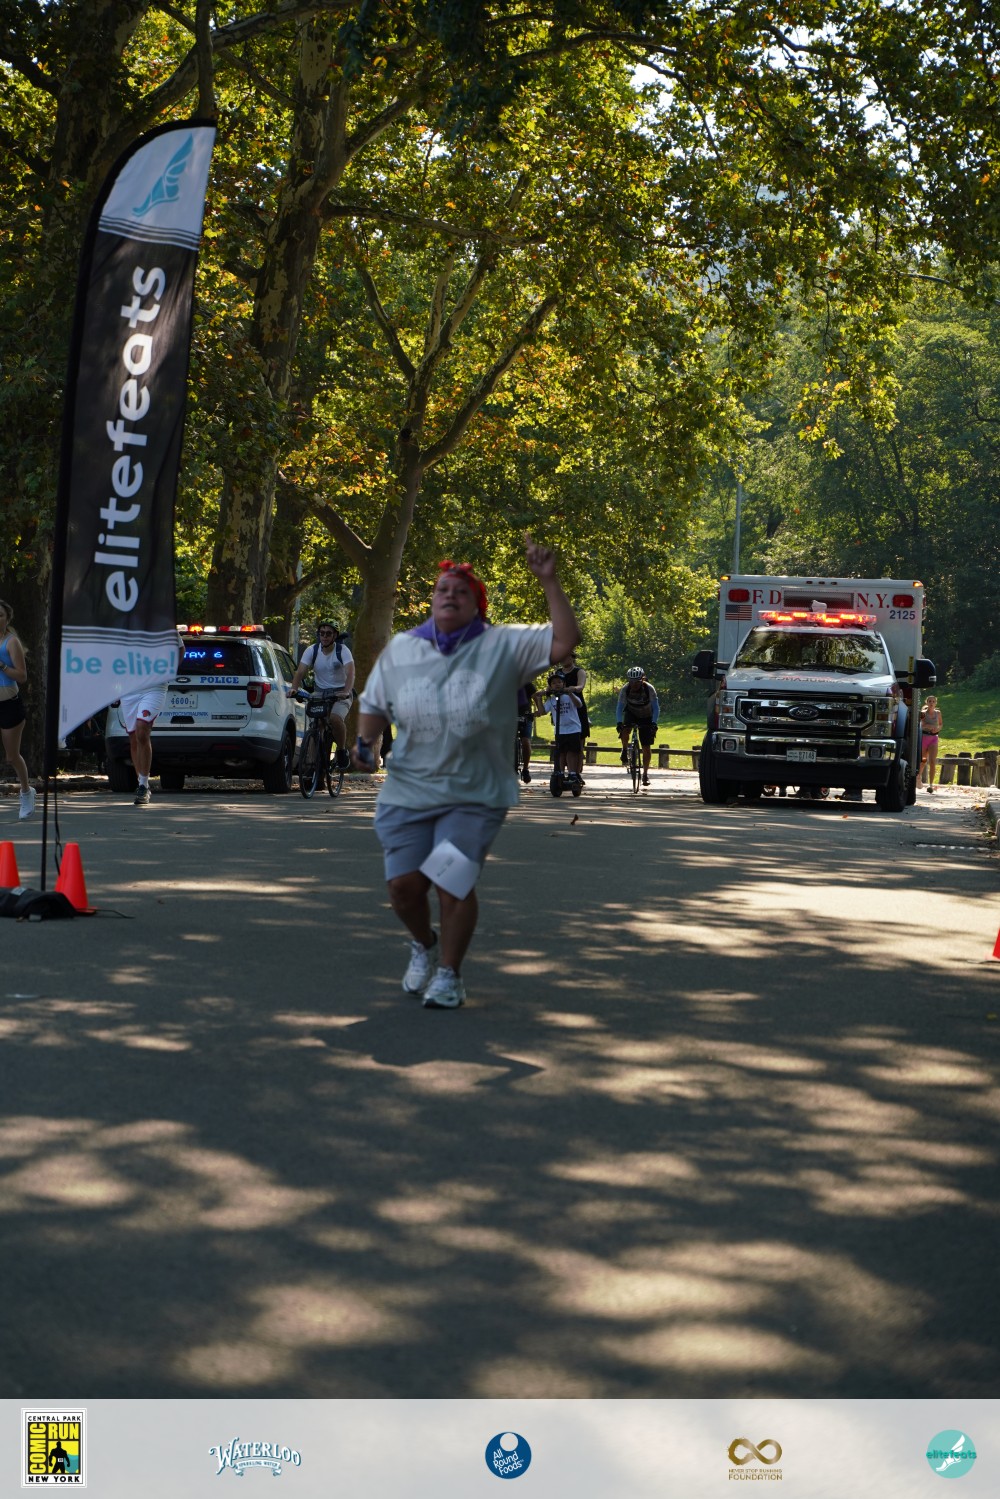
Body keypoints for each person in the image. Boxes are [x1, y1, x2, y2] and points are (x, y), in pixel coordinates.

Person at [353, 536, 579, 1009]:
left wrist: (549, 580)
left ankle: (450, 974)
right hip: (409, 789)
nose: (450, 596)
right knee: (403, 888)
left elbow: (564, 641)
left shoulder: (503, 645)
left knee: (450, 878)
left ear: (478, 605)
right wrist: (365, 742)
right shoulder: (403, 648)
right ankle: (424, 944)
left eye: (461, 591)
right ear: (432, 600)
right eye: (442, 589)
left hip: (475, 793)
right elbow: (374, 702)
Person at [119, 631, 184, 806]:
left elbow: (180, 648)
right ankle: (142, 785)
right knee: (134, 737)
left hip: (154, 687)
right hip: (129, 689)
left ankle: (143, 784)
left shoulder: (163, 625)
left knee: (142, 730)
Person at [289, 622, 356, 770]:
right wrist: (294, 688)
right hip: (320, 692)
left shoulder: (342, 650)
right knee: (316, 724)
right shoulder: (312, 650)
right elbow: (300, 672)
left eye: (328, 633)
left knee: (335, 719)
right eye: (322, 633)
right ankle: (312, 764)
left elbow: (351, 673)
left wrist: (346, 691)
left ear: (335, 636)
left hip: (341, 692)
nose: (324, 636)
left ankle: (341, 751)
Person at [0, 599, 34, 819]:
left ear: (7, 619)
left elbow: (22, 676)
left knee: (11, 757)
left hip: (9, 705)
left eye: (0, 615)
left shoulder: (11, 642)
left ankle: (26, 792)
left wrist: (2, 665)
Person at [535, 671, 584, 784]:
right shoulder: (551, 700)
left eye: (559, 682)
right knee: (561, 752)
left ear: (564, 684)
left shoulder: (569, 696)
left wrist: (570, 693)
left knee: (572, 752)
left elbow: (579, 704)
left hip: (573, 729)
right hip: (560, 730)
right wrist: (539, 698)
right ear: (550, 686)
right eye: (553, 683)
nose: (557, 684)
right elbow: (542, 712)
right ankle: (560, 772)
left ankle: (572, 773)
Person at [616, 665, 659, 786]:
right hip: (631, 713)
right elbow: (619, 708)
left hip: (647, 715)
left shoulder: (649, 688)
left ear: (642, 680)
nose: (634, 684)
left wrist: (654, 723)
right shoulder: (625, 689)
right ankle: (625, 749)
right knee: (625, 730)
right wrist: (619, 723)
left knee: (646, 747)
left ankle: (645, 774)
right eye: (631, 681)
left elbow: (656, 708)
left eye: (637, 682)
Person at [919, 694, 943, 792]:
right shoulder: (923, 713)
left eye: (933, 701)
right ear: (927, 702)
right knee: (923, 760)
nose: (931, 703)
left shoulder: (938, 713)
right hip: (924, 738)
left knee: (932, 761)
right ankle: (918, 778)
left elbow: (941, 724)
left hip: (934, 738)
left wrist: (938, 729)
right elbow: (921, 725)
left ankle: (931, 785)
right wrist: (928, 726)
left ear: (936, 703)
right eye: (930, 701)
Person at [516, 679, 535, 783]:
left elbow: (535, 696)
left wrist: (539, 709)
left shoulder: (526, 682)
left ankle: (526, 768)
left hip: (525, 715)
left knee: (525, 740)